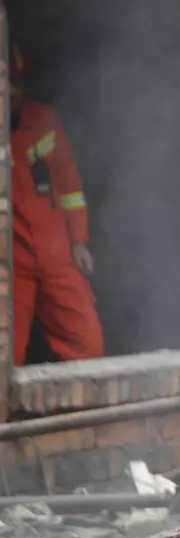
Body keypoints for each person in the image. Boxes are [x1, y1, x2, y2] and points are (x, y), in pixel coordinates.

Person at [9, 45, 103, 366]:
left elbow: (70, 185)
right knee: (7, 360)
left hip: (57, 252)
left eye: (13, 85)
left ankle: (79, 412)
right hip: (11, 261)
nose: (9, 93)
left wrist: (79, 240)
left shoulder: (44, 120)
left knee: (88, 344)